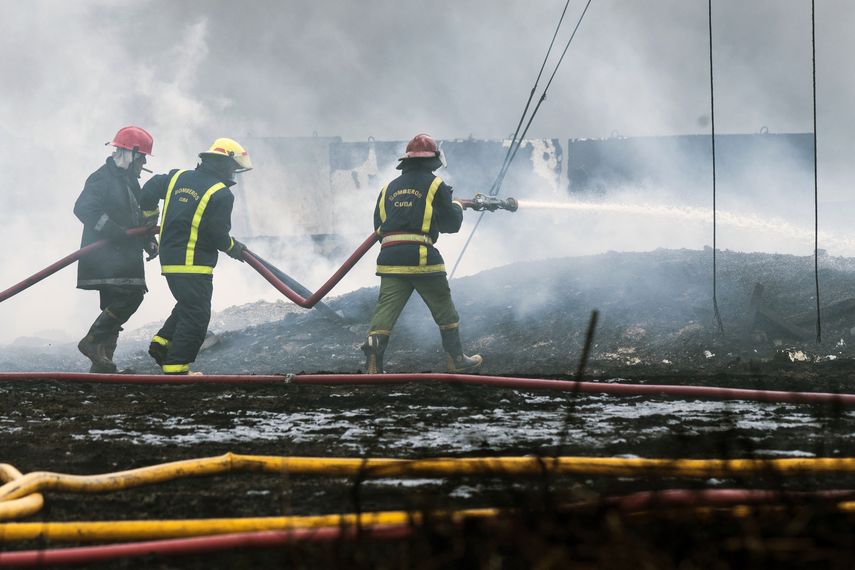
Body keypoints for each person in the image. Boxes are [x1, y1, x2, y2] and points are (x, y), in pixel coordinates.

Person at [362, 133, 482, 374]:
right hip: (421, 258)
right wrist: (457, 205)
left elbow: (378, 226)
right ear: (433, 160)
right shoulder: (436, 184)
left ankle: (373, 364)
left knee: (385, 312)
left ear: (407, 161)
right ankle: (456, 359)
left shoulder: (388, 188)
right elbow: (451, 224)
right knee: (443, 307)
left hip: (390, 259)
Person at [139, 138, 251, 375]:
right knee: (197, 315)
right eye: (233, 168)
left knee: (190, 305)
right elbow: (218, 236)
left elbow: (147, 191)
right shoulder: (221, 194)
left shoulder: (177, 177)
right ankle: (177, 368)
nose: (233, 174)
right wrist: (235, 248)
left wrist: (151, 217)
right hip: (194, 264)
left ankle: (162, 345)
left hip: (169, 260)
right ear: (224, 164)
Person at [74, 126, 158, 373]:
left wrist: (148, 242)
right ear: (130, 154)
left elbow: (137, 218)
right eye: (141, 158)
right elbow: (83, 208)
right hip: (106, 257)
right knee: (130, 296)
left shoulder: (130, 182)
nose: (143, 163)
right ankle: (91, 342)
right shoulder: (102, 178)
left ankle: (102, 365)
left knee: (115, 305)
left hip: (123, 257)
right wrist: (112, 230)